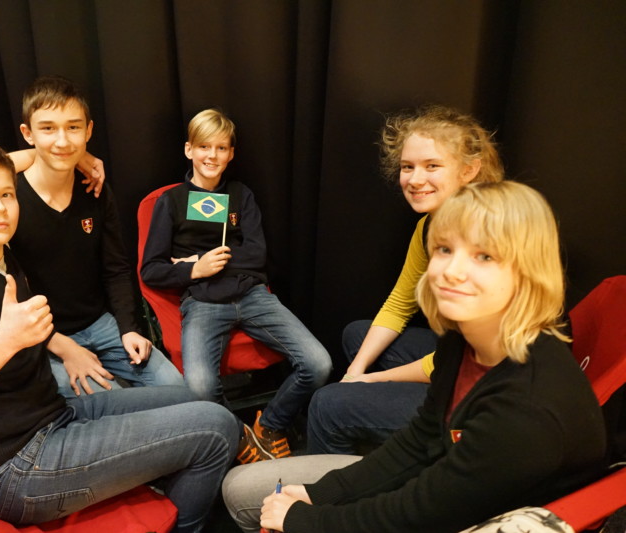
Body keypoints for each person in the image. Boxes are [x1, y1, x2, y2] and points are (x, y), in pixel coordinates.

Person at [221, 180, 607, 533]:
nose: (452, 271)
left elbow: (419, 515)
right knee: (240, 488)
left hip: (483, 521)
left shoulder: (526, 409)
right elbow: (421, 440)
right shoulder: (462, 339)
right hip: (444, 487)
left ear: (528, 272)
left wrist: (306, 520)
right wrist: (320, 493)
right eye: (444, 249)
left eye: (484, 256)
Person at [0, 136, 239, 533]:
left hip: (53, 417)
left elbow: (9, 165)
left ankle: (163, 484)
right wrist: (5, 341)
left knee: (194, 398)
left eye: (7, 194)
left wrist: (77, 156)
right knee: (217, 427)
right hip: (17, 467)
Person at [307, 105, 504, 455]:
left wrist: (369, 380)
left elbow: (458, 360)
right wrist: (355, 370)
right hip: (458, 356)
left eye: (432, 166)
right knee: (357, 335)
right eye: (407, 166)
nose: (414, 179)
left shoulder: (487, 235)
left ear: (469, 170)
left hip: (490, 389)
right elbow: (400, 303)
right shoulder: (429, 225)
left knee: (328, 404)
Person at [141, 108, 332, 463]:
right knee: (199, 388)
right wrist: (195, 270)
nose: (212, 156)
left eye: (221, 148)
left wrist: (200, 258)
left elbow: (257, 254)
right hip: (202, 302)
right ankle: (238, 433)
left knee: (318, 364)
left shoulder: (241, 195)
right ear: (189, 150)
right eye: (204, 147)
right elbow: (151, 270)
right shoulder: (170, 202)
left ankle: (270, 424)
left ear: (231, 153)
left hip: (252, 295)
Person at [8, 75, 184, 398]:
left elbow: (115, 268)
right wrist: (62, 347)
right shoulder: (8, 199)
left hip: (101, 323)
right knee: (113, 403)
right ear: (27, 133)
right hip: (45, 337)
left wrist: (129, 328)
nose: (62, 140)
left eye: (73, 127)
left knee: (178, 389)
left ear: (88, 131)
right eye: (48, 128)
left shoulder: (95, 189)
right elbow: (9, 294)